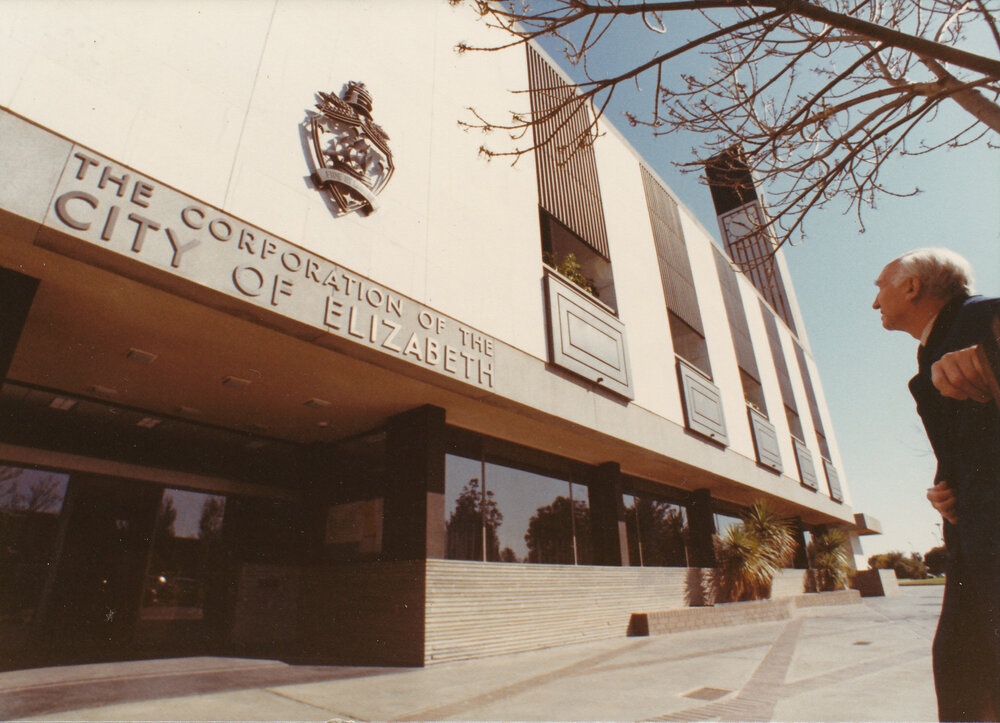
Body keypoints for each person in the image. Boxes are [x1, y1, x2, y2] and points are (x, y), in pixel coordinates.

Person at [873, 248, 1000, 721]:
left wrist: (992, 357)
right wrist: (946, 485)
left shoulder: (984, 315)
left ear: (912, 287)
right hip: (972, 544)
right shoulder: (933, 349)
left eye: (879, 287)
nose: (874, 303)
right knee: (962, 669)